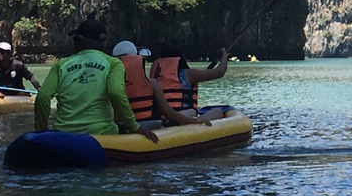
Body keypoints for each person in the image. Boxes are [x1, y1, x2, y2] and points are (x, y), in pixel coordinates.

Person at [33, 19, 165, 138]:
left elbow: (43, 97)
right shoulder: (113, 63)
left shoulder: (61, 64)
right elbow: (116, 93)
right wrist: (134, 127)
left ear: (78, 41)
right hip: (101, 134)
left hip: (64, 133)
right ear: (103, 43)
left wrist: (41, 131)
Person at [150, 45, 229, 115]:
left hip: (159, 117)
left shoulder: (154, 77)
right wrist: (224, 57)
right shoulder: (188, 74)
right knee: (218, 111)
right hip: (184, 116)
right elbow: (219, 72)